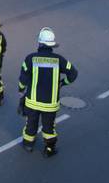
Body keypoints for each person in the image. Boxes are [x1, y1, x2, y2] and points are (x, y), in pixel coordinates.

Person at [18, 27, 78, 157]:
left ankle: (28, 144)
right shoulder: (59, 60)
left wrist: (21, 89)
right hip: (50, 104)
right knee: (49, 127)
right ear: (52, 45)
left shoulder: (30, 58)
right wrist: (63, 83)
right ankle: (49, 149)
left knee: (30, 124)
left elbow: (23, 78)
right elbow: (73, 74)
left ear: (39, 43)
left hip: (32, 102)